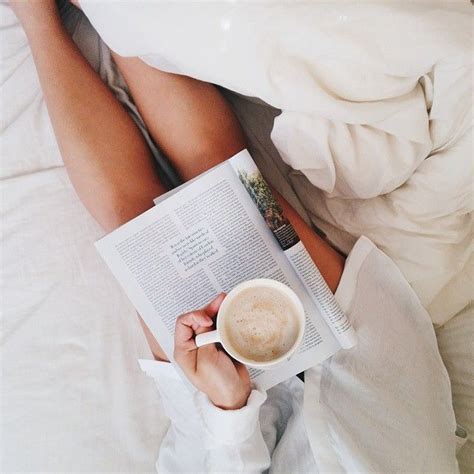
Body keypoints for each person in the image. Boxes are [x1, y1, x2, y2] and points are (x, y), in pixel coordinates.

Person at [10, 2, 458, 472]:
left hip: (219, 439)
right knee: (228, 178)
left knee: (136, 226)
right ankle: (107, 7)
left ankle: (34, 14)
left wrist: (229, 409)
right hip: (368, 383)